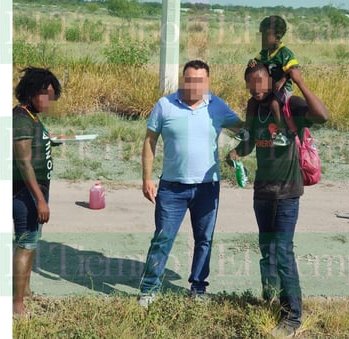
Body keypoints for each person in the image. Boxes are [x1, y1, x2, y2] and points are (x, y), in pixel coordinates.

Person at [227, 63, 329, 337]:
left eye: (260, 82)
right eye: (250, 83)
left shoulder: (289, 104)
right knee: (267, 251)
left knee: (283, 252)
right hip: (262, 193)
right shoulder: (254, 108)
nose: (255, 88)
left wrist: (301, 81)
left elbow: (322, 115)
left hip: (287, 192)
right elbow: (249, 142)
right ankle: (271, 300)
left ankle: (293, 317)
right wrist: (236, 153)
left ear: (271, 81)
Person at [139, 60, 243, 307]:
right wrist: (146, 178)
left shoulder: (217, 106)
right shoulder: (165, 105)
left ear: (207, 82)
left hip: (208, 187)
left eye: (199, 80)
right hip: (172, 188)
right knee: (163, 238)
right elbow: (149, 141)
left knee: (204, 239)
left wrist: (264, 121)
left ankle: (198, 288)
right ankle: (149, 288)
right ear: (182, 79)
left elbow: (243, 128)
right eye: (189, 79)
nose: (194, 85)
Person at [13, 67, 62, 316]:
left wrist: (48, 140)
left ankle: (26, 291)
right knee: (25, 243)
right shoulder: (20, 118)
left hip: (36, 192)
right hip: (26, 194)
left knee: (31, 242)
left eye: (51, 95)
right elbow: (23, 163)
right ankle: (16, 304)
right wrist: (40, 200)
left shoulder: (31, 117)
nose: (47, 100)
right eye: (44, 94)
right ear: (31, 92)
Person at [236, 15, 299, 147]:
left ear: (278, 36)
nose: (263, 38)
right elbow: (256, 63)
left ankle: (282, 133)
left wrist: (282, 80)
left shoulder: (284, 53)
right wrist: (252, 62)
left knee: (274, 104)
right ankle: (246, 130)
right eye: (261, 35)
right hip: (268, 88)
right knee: (252, 102)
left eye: (266, 35)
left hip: (282, 88)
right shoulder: (264, 52)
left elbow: (293, 69)